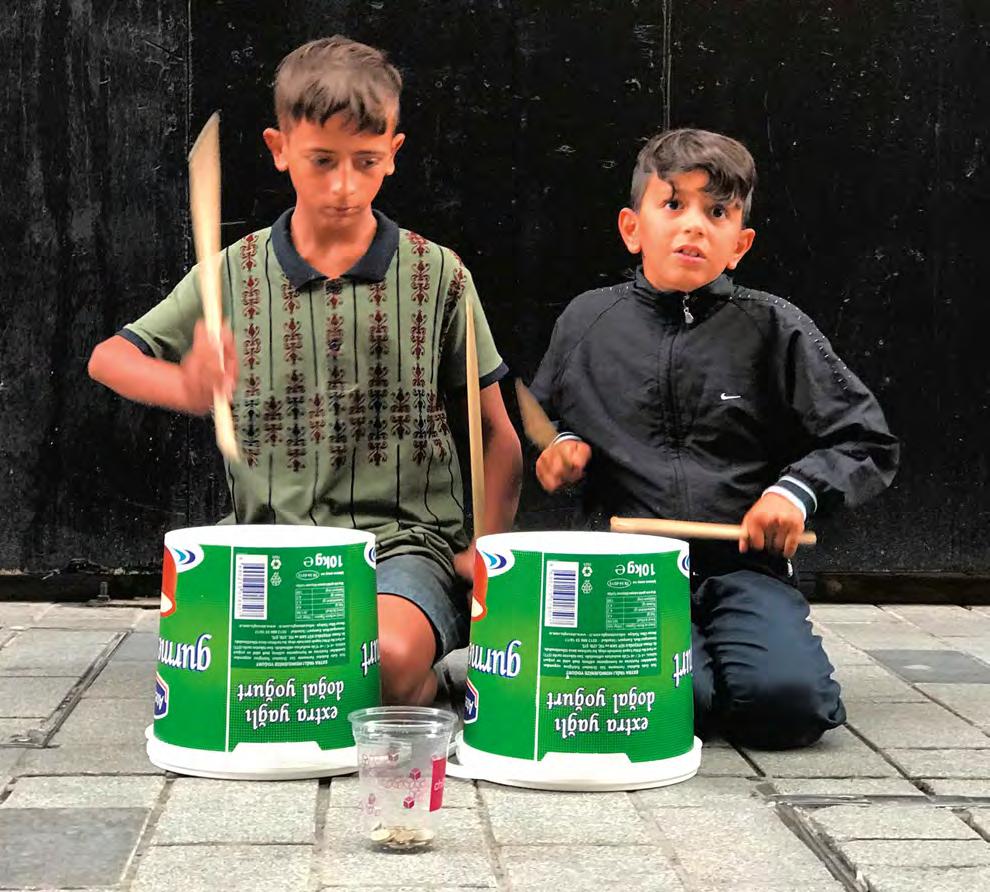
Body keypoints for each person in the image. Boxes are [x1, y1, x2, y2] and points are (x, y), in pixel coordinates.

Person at [89, 36, 522, 706]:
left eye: (366, 161)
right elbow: (108, 359)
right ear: (280, 148)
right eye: (322, 160)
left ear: (393, 154)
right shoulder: (233, 272)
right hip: (268, 545)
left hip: (403, 546)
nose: (344, 185)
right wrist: (184, 385)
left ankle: (428, 681)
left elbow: (499, 438)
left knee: (379, 662)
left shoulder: (440, 275)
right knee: (212, 671)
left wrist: (486, 555)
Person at [529, 128, 898, 748]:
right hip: (629, 574)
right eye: (673, 204)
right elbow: (542, 420)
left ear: (740, 245)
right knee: (676, 700)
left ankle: (725, 663)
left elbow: (866, 440)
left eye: (718, 212)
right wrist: (559, 450)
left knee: (790, 706)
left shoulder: (776, 327)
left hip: (744, 567)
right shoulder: (586, 320)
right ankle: (694, 674)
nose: (694, 226)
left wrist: (794, 493)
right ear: (632, 228)